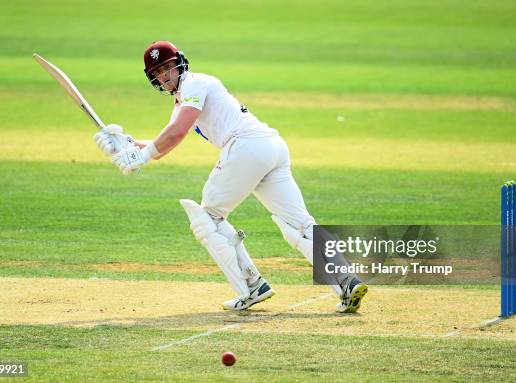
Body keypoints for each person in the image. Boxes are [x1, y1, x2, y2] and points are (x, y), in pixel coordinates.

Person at [93, 41, 367, 313]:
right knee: (300, 225)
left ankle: (251, 286)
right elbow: (164, 143)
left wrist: (142, 156)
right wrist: (125, 143)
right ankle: (347, 282)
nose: (164, 75)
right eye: (157, 72)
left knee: (207, 219)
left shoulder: (195, 83)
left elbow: (175, 133)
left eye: (167, 67)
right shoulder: (183, 99)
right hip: (269, 147)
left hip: (246, 146)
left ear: (180, 63)